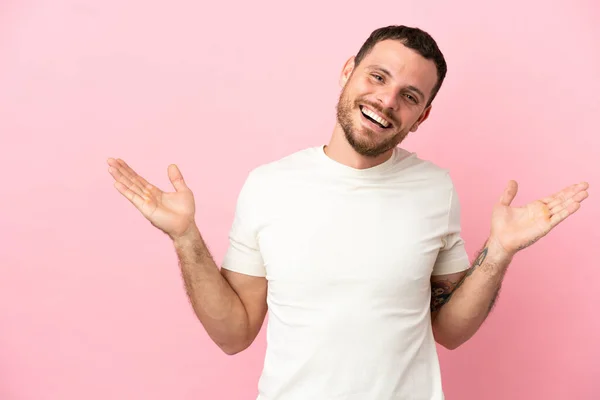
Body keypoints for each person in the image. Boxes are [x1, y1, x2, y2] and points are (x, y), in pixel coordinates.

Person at [107, 25, 589, 400]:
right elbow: (234, 334)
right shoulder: (268, 185)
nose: (386, 99)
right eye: (378, 76)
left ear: (421, 118)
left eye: (410, 96)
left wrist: (499, 251)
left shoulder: (435, 189)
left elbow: (449, 331)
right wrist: (186, 238)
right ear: (347, 72)